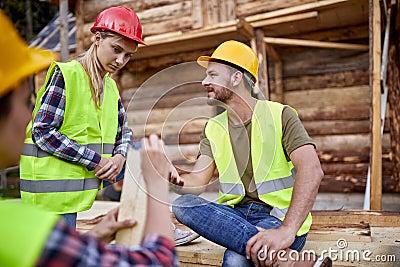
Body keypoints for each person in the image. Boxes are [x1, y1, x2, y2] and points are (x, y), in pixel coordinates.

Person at [0, 9, 177, 266]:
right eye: (116, 49)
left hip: (80, 189)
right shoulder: (66, 75)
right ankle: (160, 232)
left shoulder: (110, 86)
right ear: (97, 39)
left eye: (128, 55)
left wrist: (118, 156)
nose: (120, 60)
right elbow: (41, 131)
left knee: (137, 148)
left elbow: (124, 131)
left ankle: (151, 226)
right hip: (53, 196)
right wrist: (96, 161)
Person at [170, 40, 332, 266]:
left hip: (278, 218)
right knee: (183, 204)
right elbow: (197, 181)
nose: (205, 81)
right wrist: (169, 173)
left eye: (213, 75)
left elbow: (312, 171)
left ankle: (273, 246)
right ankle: (281, 258)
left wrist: (287, 230)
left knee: (236, 260)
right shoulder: (213, 127)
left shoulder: (280, 115)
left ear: (236, 78)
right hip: (236, 215)